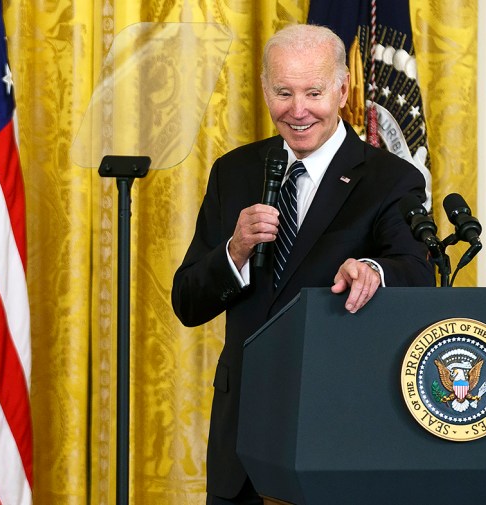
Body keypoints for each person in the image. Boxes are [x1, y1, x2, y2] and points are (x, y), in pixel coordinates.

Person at [171, 25, 435, 505]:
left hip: (339, 432)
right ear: (265, 87)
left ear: (342, 89)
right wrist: (234, 253)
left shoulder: (390, 178)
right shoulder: (234, 172)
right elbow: (187, 300)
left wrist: (374, 272)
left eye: (313, 92)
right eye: (283, 92)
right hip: (242, 444)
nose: (297, 110)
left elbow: (418, 273)